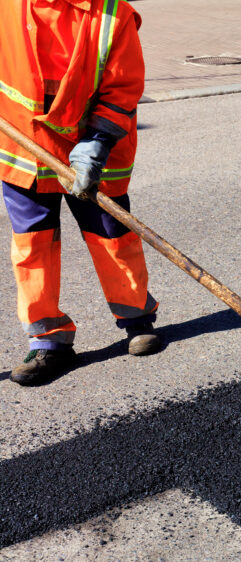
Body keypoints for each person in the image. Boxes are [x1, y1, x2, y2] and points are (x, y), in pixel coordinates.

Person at [0, 0, 160, 387]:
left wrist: (97, 142)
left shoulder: (112, 14)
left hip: (92, 151)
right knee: (32, 244)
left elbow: (123, 88)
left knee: (112, 235)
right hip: (25, 148)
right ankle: (47, 340)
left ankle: (137, 319)